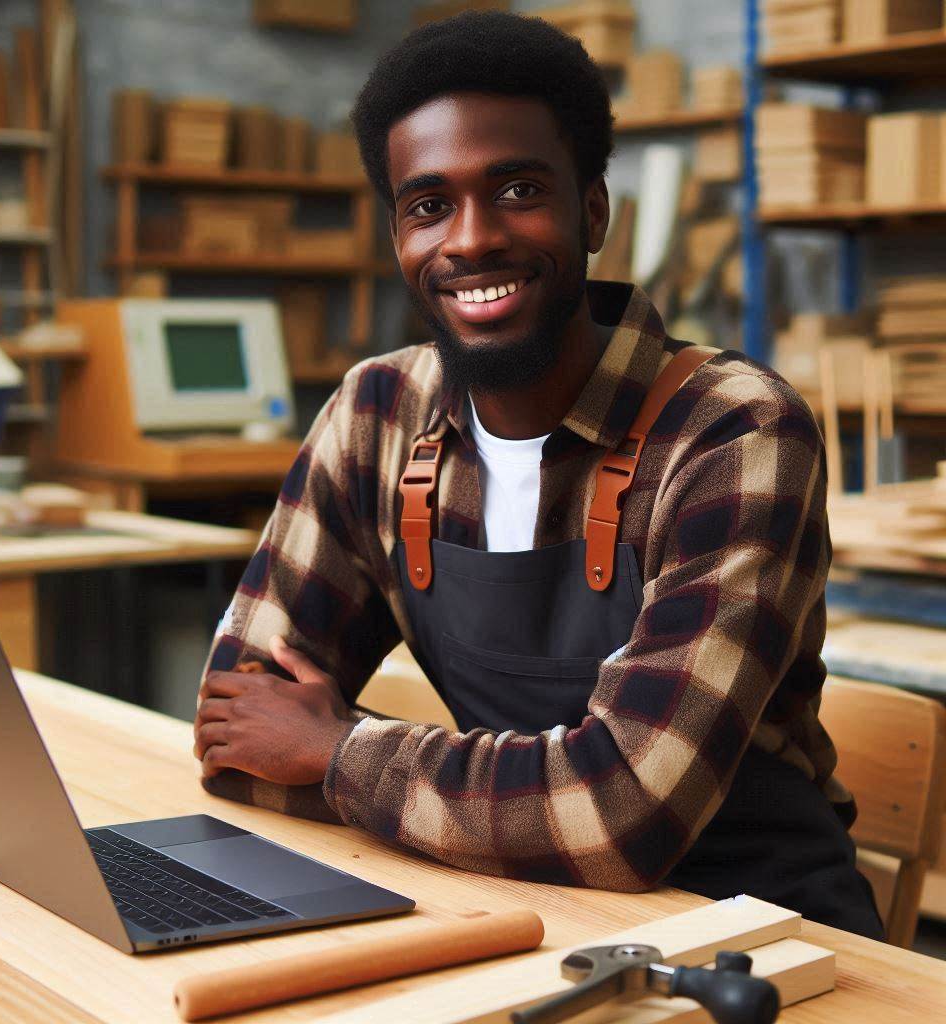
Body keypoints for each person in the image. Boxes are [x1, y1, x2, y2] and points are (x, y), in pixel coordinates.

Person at [193, 11, 882, 939]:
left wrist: (339, 753)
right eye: (428, 204)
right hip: (523, 916)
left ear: (592, 211)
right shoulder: (375, 414)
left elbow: (625, 813)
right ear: (398, 232)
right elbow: (235, 740)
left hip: (758, 936)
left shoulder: (732, 429)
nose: (470, 240)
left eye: (517, 189)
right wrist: (518, 815)